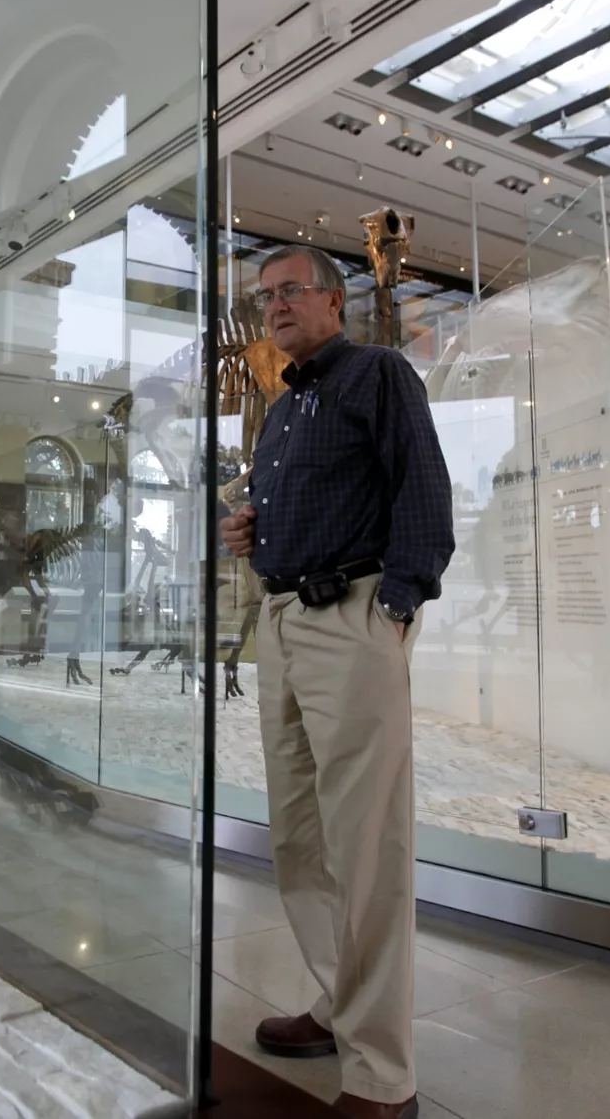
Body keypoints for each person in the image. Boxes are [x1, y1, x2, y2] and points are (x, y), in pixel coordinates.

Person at [218, 244, 453, 1119]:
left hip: (351, 616)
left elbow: (423, 490)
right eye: (264, 297)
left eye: (290, 291)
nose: (274, 306)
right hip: (282, 619)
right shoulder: (284, 406)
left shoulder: (377, 375)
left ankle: (383, 1074)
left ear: (332, 300)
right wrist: (250, 535)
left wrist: (395, 606)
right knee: (300, 836)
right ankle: (335, 1001)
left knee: (366, 845)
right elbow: (302, 505)